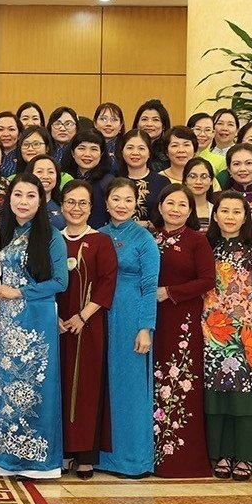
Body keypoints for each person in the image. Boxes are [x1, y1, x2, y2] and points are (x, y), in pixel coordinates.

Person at [0, 175, 67, 479]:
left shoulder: (51, 236)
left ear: (41, 200)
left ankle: (41, 463)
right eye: (18, 194)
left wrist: (20, 292)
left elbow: (61, 282)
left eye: (31, 196)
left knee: (38, 387)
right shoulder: (3, 233)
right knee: (8, 387)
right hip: (8, 321)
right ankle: (6, 459)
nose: (23, 201)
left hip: (37, 322)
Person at [203, 192, 252, 481]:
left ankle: (245, 457)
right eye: (225, 211)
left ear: (246, 217)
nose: (230, 216)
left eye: (237, 211)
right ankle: (219, 454)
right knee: (216, 396)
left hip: (246, 331)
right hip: (210, 331)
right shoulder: (205, 244)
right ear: (215, 214)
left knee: (244, 397)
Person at [96, 178, 159, 478]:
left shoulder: (144, 239)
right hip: (100, 315)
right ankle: (100, 457)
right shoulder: (98, 235)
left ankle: (132, 460)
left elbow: (150, 286)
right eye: (116, 199)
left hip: (132, 316)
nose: (121, 205)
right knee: (102, 385)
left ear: (137, 204)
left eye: (128, 200)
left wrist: (146, 327)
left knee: (130, 387)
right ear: (106, 203)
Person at [151, 184, 215, 477]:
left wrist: (170, 292)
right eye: (170, 203)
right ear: (161, 205)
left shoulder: (196, 241)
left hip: (182, 319)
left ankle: (181, 459)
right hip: (150, 318)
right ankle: (148, 454)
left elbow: (207, 281)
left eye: (182, 205)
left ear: (191, 211)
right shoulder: (149, 237)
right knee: (152, 380)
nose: (175, 210)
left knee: (180, 381)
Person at [56, 180, 118, 479]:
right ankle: (64, 451)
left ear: (91, 209)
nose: (76, 208)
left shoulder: (101, 241)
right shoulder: (54, 240)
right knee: (61, 384)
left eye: (82, 203)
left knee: (88, 387)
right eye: (70, 202)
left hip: (89, 325)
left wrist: (83, 316)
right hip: (57, 326)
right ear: (62, 205)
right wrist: (54, 316)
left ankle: (85, 456)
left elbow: (107, 285)